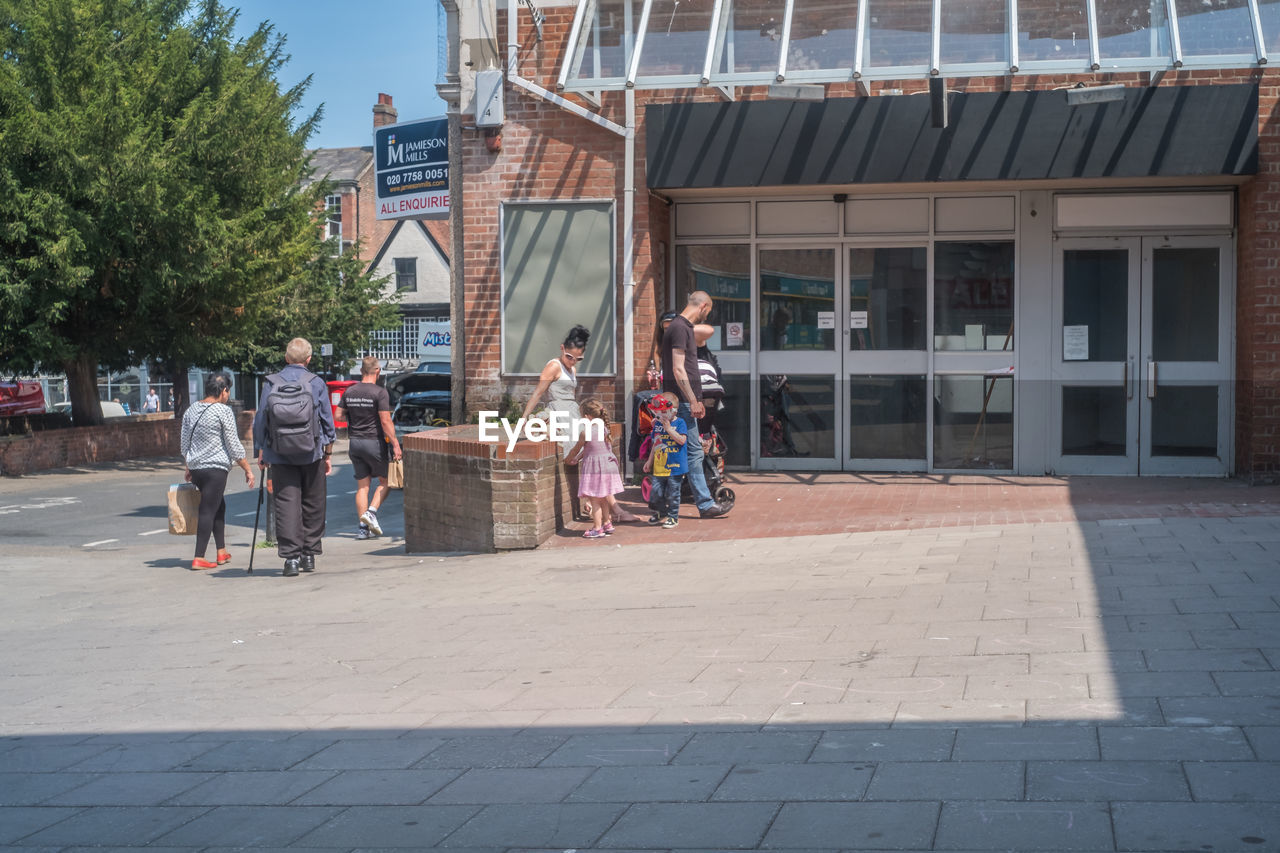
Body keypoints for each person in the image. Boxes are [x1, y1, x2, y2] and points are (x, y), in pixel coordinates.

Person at [523, 325, 641, 523]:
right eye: (570, 357)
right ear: (562, 348)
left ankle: (597, 502)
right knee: (587, 448)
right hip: (559, 412)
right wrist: (524, 417)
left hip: (572, 411)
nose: (573, 361)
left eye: (578, 359)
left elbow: (571, 396)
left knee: (596, 450)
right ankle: (612, 508)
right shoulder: (553, 366)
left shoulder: (572, 369)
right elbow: (538, 392)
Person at [252, 338, 336, 577]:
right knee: (314, 502)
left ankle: (291, 560)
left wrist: (261, 449)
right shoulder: (316, 383)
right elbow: (327, 421)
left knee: (286, 504)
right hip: (312, 452)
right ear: (308, 359)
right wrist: (327, 452)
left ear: (286, 358)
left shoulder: (271, 382)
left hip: (279, 453)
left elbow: (261, 419)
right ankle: (309, 554)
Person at [661, 291, 731, 518]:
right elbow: (678, 369)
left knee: (685, 452)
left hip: (680, 401)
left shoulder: (681, 328)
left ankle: (665, 501)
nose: (706, 315)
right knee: (692, 452)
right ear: (703, 307)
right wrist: (693, 400)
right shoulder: (681, 328)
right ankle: (704, 504)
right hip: (682, 401)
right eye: (707, 311)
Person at [181, 373, 254, 570]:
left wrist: (189, 466)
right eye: (227, 391)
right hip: (215, 469)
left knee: (217, 506)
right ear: (223, 391)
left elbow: (184, 443)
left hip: (197, 468)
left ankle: (221, 551)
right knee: (207, 510)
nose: (228, 395)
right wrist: (248, 469)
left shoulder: (191, 410)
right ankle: (199, 557)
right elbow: (233, 445)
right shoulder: (223, 411)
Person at [337, 356, 402, 540]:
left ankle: (362, 529)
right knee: (386, 481)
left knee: (362, 487)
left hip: (355, 442)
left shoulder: (350, 391)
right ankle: (371, 513)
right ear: (378, 372)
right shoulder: (380, 393)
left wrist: (355, 417)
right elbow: (385, 420)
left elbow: (339, 415)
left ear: (361, 371)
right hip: (374, 442)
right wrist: (395, 443)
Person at [564, 399, 624, 539]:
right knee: (603, 498)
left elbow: (577, 448)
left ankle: (597, 528)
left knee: (595, 500)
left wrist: (569, 459)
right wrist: (578, 458)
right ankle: (607, 523)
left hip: (595, 469)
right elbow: (590, 449)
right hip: (607, 466)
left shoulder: (586, 432)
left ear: (586, 417)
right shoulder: (604, 428)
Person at [641, 392, 687, 528]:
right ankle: (662, 512)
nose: (660, 415)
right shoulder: (657, 425)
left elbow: (682, 440)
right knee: (655, 492)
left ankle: (673, 517)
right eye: (658, 412)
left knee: (673, 493)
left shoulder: (680, 422)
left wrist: (669, 429)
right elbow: (656, 443)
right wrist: (649, 462)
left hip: (675, 466)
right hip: (660, 465)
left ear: (673, 411)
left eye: (663, 412)